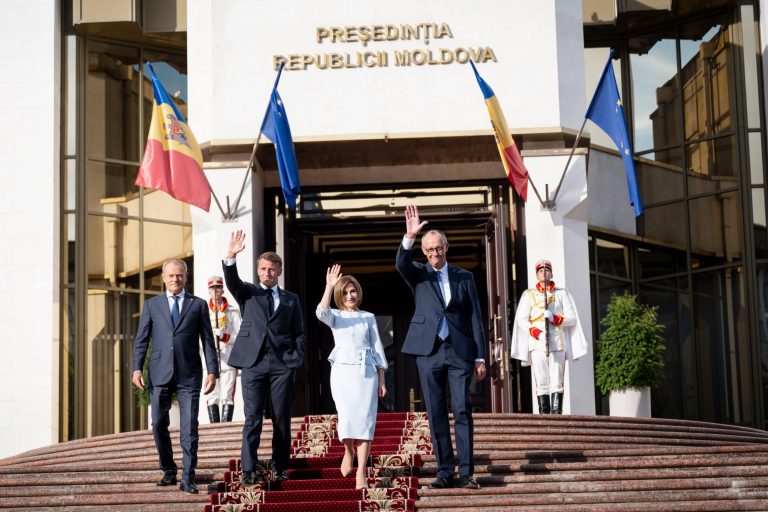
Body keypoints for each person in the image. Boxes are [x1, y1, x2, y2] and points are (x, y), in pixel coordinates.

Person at [395, 204, 487, 490]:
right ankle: (445, 471)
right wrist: (410, 237)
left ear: (446, 247)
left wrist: (480, 357)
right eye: (430, 249)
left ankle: (467, 472)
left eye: (439, 248)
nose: (435, 253)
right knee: (435, 412)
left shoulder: (464, 277)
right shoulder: (418, 274)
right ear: (424, 251)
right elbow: (401, 264)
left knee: (462, 410)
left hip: (459, 351)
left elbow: (475, 318)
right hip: (429, 351)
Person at [223, 230, 305, 484]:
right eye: (263, 269)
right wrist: (231, 255)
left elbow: (298, 332)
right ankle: (249, 469)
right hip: (253, 363)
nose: (267, 273)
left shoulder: (291, 300)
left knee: (281, 419)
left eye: (271, 269)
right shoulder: (248, 293)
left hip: (282, 364)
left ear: (279, 270)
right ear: (258, 271)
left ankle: (280, 466)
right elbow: (232, 281)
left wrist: (295, 359)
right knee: (252, 418)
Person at [131, 258, 219, 495]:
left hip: (189, 375)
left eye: (179, 275)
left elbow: (208, 341)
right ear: (163, 277)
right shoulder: (152, 305)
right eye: (170, 275)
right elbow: (141, 340)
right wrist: (137, 369)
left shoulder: (198, 305)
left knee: (189, 428)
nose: (175, 279)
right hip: (160, 374)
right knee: (159, 423)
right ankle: (169, 469)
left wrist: (212, 371)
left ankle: (188, 478)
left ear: (186, 277)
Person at [316, 264, 388, 490]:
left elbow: (377, 347)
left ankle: (361, 472)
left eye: (353, 291)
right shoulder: (335, 316)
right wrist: (329, 287)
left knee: (366, 420)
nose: (350, 295)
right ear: (340, 295)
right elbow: (321, 313)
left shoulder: (368, 317)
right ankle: (348, 451)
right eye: (345, 292)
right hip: (342, 373)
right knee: (346, 417)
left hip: (366, 373)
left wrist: (382, 378)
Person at [510, 259, 588, 414]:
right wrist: (535, 332)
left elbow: (572, 318)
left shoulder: (562, 293)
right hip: (537, 343)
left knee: (557, 381)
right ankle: (544, 415)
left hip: (557, 342)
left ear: (551, 274)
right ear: (537, 275)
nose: (544, 273)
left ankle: (557, 414)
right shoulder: (529, 294)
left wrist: (555, 318)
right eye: (540, 271)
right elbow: (521, 319)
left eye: (547, 271)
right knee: (541, 381)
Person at [206, 275, 242, 423]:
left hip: (228, 358)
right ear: (209, 290)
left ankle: (225, 427)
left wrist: (224, 336)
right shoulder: (203, 311)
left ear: (222, 290)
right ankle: (214, 429)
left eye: (218, 287)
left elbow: (240, 336)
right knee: (212, 395)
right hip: (210, 360)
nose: (215, 291)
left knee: (227, 395)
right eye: (212, 288)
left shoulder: (232, 312)